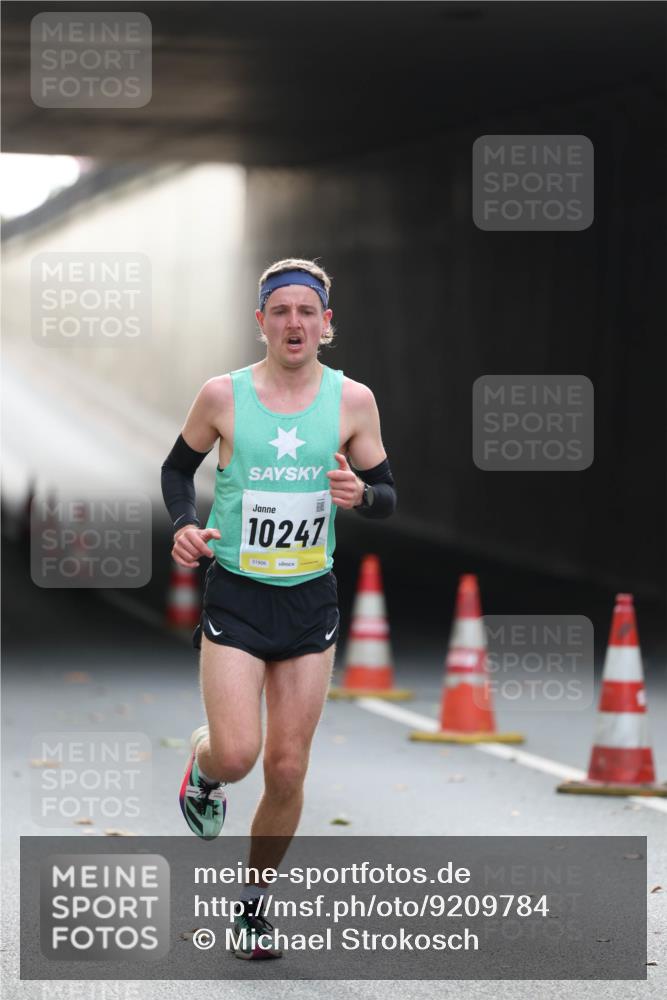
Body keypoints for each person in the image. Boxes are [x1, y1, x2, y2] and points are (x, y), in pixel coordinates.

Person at [161, 258, 396, 959]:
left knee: (287, 767)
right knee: (237, 753)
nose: (294, 322)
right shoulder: (222, 396)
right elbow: (179, 468)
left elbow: (386, 493)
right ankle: (202, 772)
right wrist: (181, 523)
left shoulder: (352, 402)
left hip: (308, 600)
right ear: (259, 320)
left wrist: (363, 497)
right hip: (237, 589)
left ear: (327, 324)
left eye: (307, 311)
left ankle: (254, 908)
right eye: (280, 310)